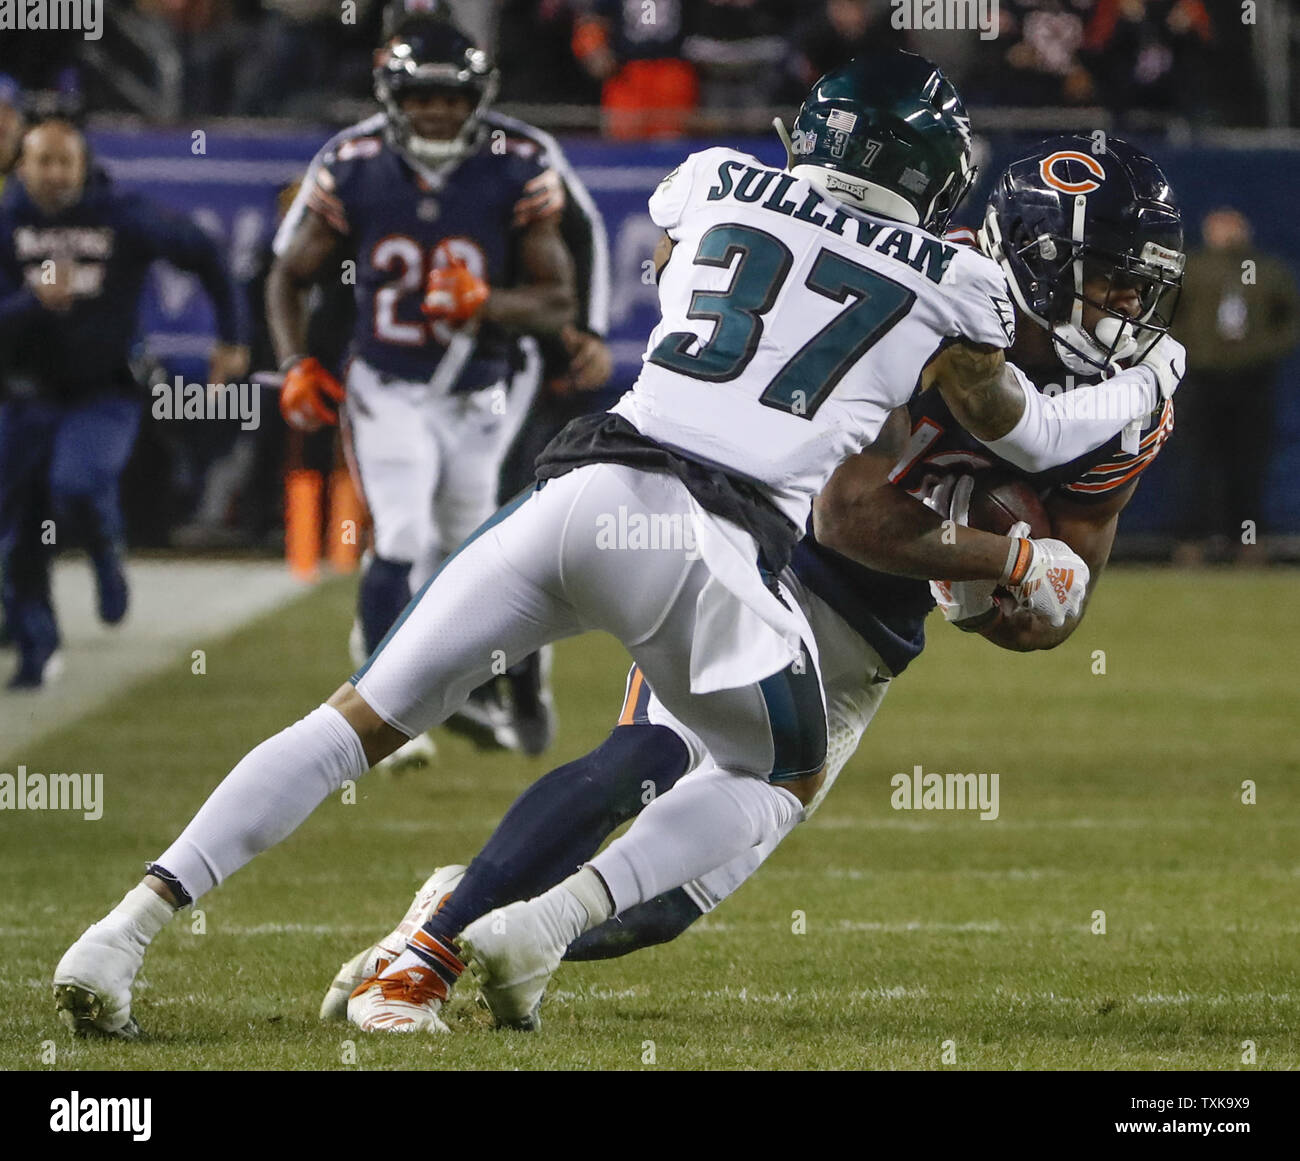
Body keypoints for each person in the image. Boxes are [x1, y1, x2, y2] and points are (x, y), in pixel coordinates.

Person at [53, 52, 1176, 1039]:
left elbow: (692, 268)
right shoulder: (955, 283)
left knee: (350, 724)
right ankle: (496, 933)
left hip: (580, 485)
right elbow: (1027, 427)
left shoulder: (712, 180)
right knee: (777, 774)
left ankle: (120, 929)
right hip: (714, 542)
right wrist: (1128, 402)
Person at [316, 135, 1188, 1030]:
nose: (1128, 306)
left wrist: (1031, 605)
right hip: (767, 558)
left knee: (663, 906)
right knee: (648, 760)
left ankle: (467, 918)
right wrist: (995, 557)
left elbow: (1070, 579)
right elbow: (846, 513)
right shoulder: (939, 296)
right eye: (1109, 277)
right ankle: (441, 941)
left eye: (1142, 283)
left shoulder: (1129, 400)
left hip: (871, 640)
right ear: (1038, 260)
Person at [267, 14, 583, 763]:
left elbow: (557, 301)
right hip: (387, 382)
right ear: (391, 95)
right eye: (420, 98)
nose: (435, 114)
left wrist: (487, 303)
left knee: (466, 548)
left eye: (449, 98)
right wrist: (290, 363)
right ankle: (380, 707)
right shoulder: (353, 162)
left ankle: (467, 684)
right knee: (401, 534)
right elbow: (288, 272)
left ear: (477, 98)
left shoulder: (516, 162)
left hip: (479, 389)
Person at [0, 118, 247, 689]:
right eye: (44, 162)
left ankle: (105, 551)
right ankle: (37, 647)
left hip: (104, 390)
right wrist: (29, 301)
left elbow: (204, 252)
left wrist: (231, 337)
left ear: (84, 165)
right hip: (23, 394)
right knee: (17, 530)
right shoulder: (7, 222)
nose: (56, 174)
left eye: (65, 162)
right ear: (22, 165)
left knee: (79, 482)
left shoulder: (122, 213)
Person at [1173, 207, 1299, 564]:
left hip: (1252, 380)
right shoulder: (1192, 268)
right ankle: (1191, 541)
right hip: (1200, 379)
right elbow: (1167, 316)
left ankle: (1247, 540)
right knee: (1193, 462)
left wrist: (1261, 350)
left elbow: (1289, 320)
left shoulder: (1267, 270)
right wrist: (1192, 351)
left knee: (1248, 463)